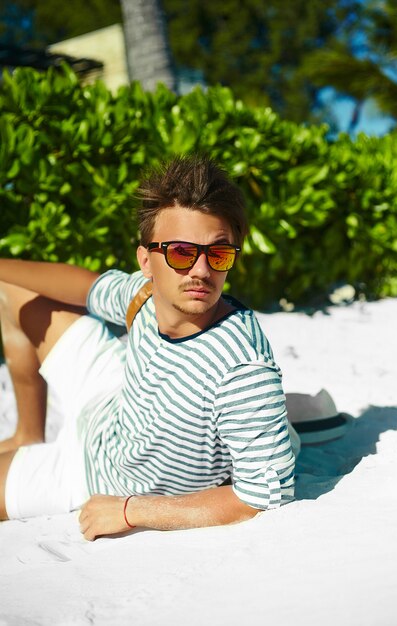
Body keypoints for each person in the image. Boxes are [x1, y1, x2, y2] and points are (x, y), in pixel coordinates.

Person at [0, 155, 295, 540]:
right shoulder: (145, 296)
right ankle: (27, 433)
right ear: (147, 261)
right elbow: (89, 287)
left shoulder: (242, 367)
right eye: (180, 253)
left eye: (218, 254)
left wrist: (130, 510)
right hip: (109, 399)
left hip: (95, 474)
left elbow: (265, 497)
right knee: (13, 288)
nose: (201, 271)